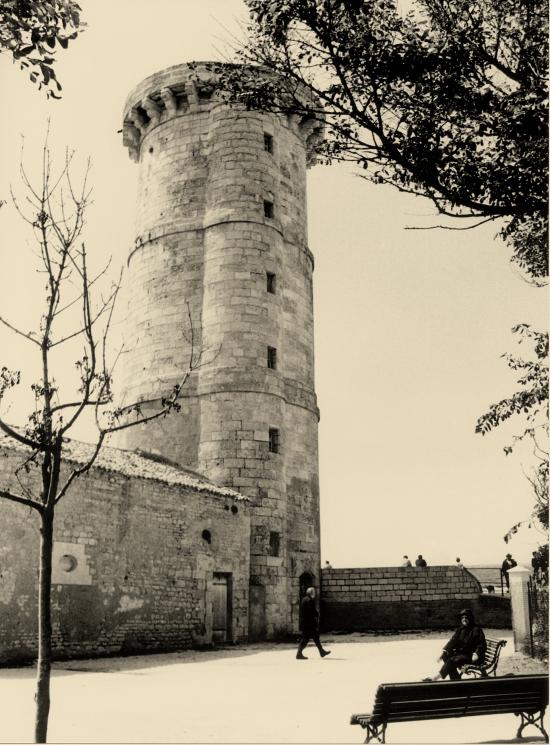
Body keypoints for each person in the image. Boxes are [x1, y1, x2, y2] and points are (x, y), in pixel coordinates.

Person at [423, 608, 486, 681]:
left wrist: (476, 653)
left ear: (470, 618)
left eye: (466, 617)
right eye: (462, 618)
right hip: (462, 655)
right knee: (445, 656)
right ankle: (455, 679)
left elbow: (482, 644)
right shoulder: (461, 629)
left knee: (452, 660)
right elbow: (453, 641)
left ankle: (434, 678)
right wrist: (444, 652)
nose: (464, 619)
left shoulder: (476, 629)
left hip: (471, 657)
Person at [296, 587, 331, 660]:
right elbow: (311, 612)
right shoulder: (310, 600)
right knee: (305, 639)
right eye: (314, 592)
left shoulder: (304, 599)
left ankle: (322, 652)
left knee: (315, 638)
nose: (315, 594)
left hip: (305, 623)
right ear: (311, 593)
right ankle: (299, 654)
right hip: (309, 623)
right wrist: (316, 614)